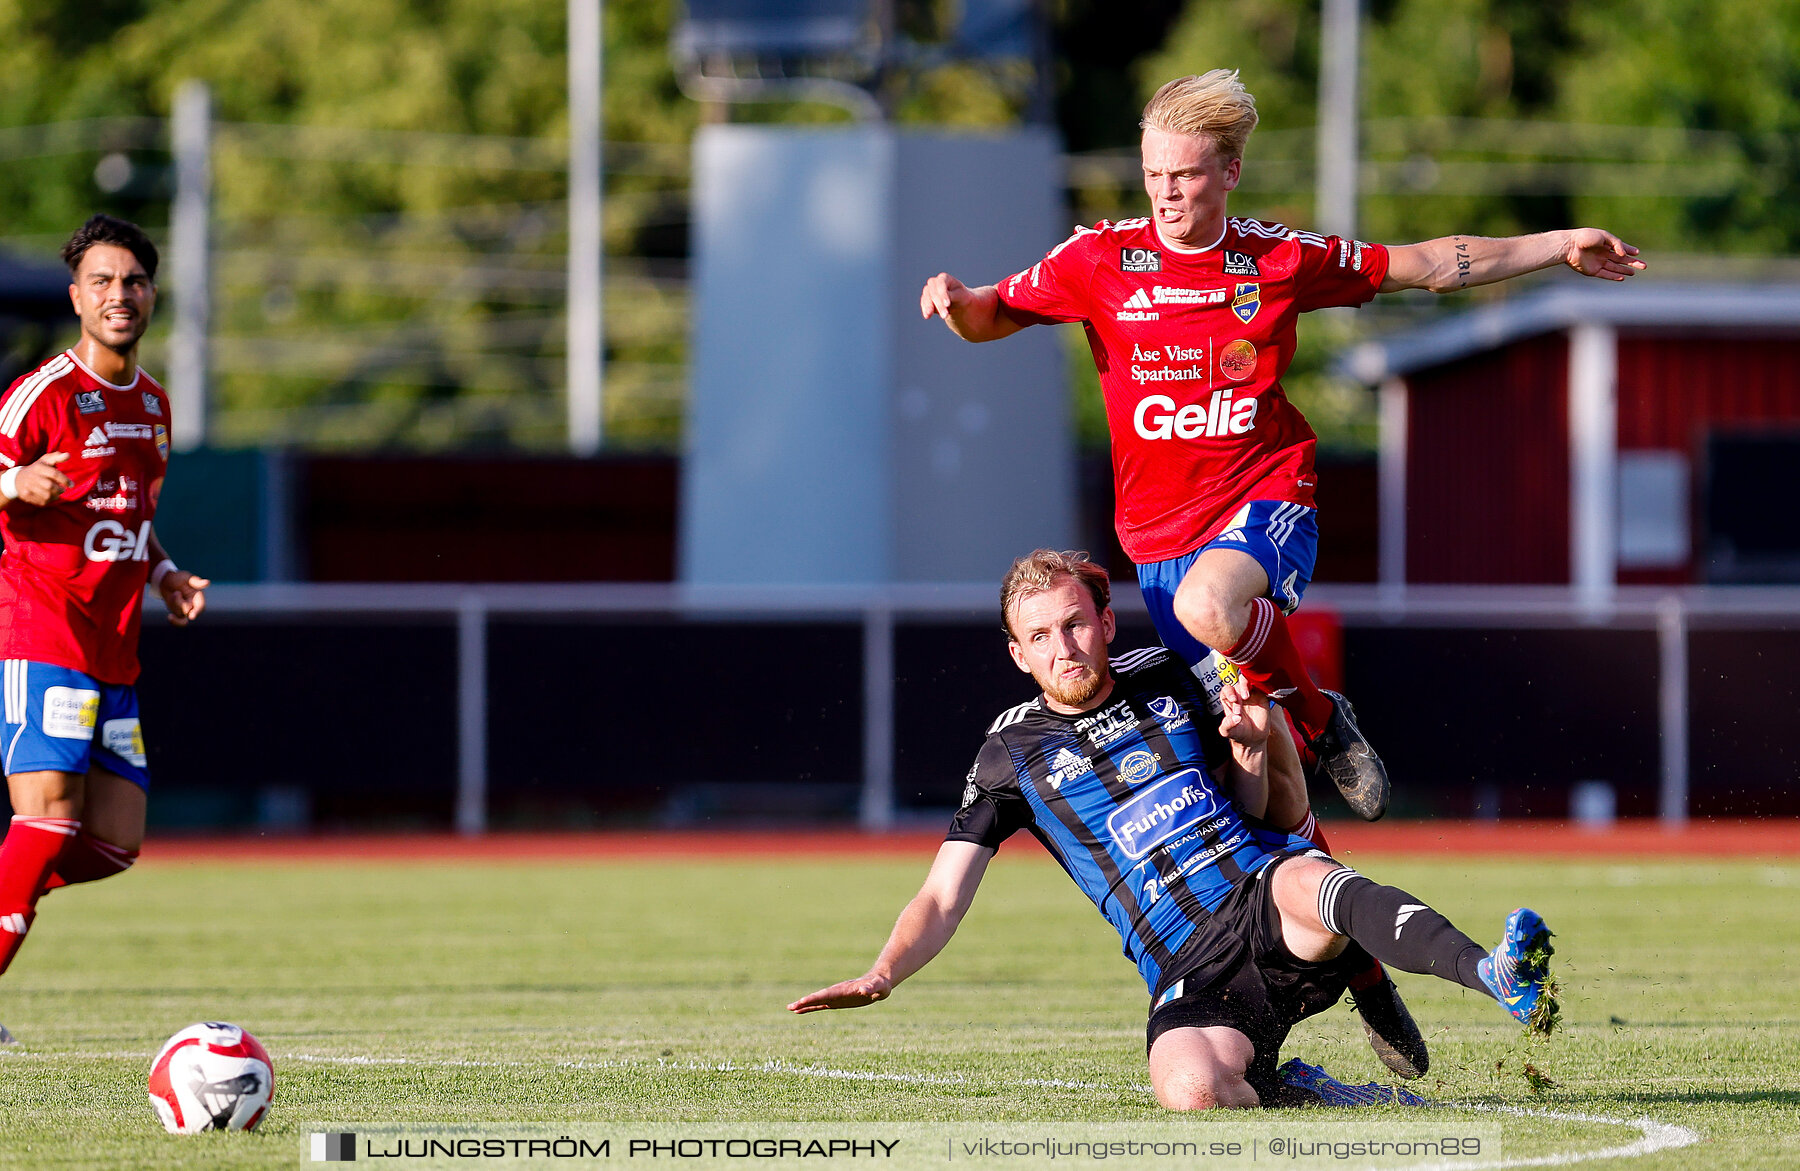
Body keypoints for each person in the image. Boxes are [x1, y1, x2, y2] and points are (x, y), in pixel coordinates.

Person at [919, 69, 1645, 829]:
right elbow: (994, 314)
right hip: (1157, 537)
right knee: (1262, 761)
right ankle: (1317, 915)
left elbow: (1425, 265)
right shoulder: (1099, 259)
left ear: (1230, 172)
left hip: (1266, 493)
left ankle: (1325, 722)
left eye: (1186, 175)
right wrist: (959, 303)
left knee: (1211, 605)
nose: (1166, 194)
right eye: (1153, 175)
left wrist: (1560, 243)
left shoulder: (1277, 259)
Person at [789, 550, 1558, 1110]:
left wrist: (1253, 749)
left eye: (1075, 623)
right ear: (1018, 654)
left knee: (1299, 860)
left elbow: (1256, 802)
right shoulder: (1008, 754)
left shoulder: (1167, 673)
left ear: (1104, 620)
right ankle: (1305, 1090)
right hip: (1188, 967)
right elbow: (943, 894)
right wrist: (884, 970)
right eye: (1043, 637)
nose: (1065, 648)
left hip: (1265, 900)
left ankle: (1488, 971)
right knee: (1192, 1090)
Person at [0, 215, 208, 1043]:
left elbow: (129, 515)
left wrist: (161, 571)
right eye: (102, 281)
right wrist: (14, 481)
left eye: (133, 281)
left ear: (151, 293)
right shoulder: (40, 393)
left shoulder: (153, 406)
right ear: (78, 298)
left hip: (112, 649)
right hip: (41, 628)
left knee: (115, 841)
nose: (119, 295)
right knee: (47, 821)